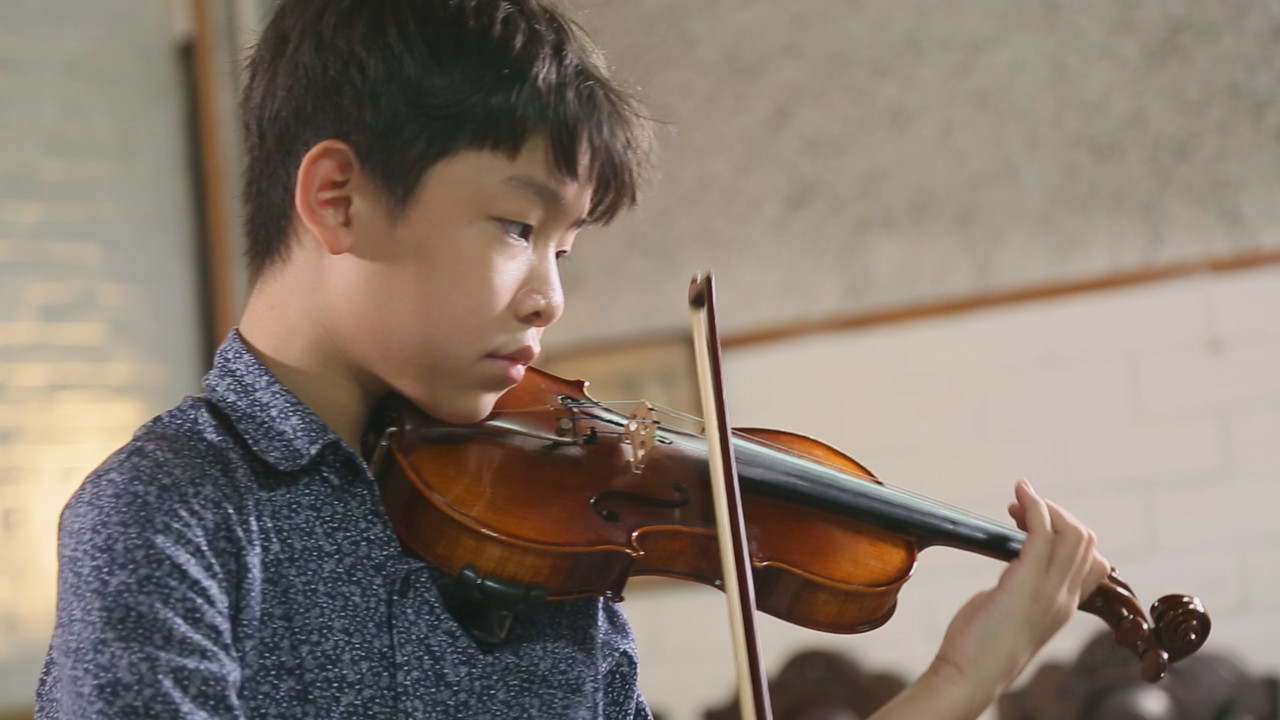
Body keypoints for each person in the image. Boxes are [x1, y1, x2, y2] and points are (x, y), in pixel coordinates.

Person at [35, 0, 1110, 718]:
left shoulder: (543, 541)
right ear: (339, 199)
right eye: (517, 226)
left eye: (565, 248)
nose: (550, 296)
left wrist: (963, 677)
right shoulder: (167, 515)